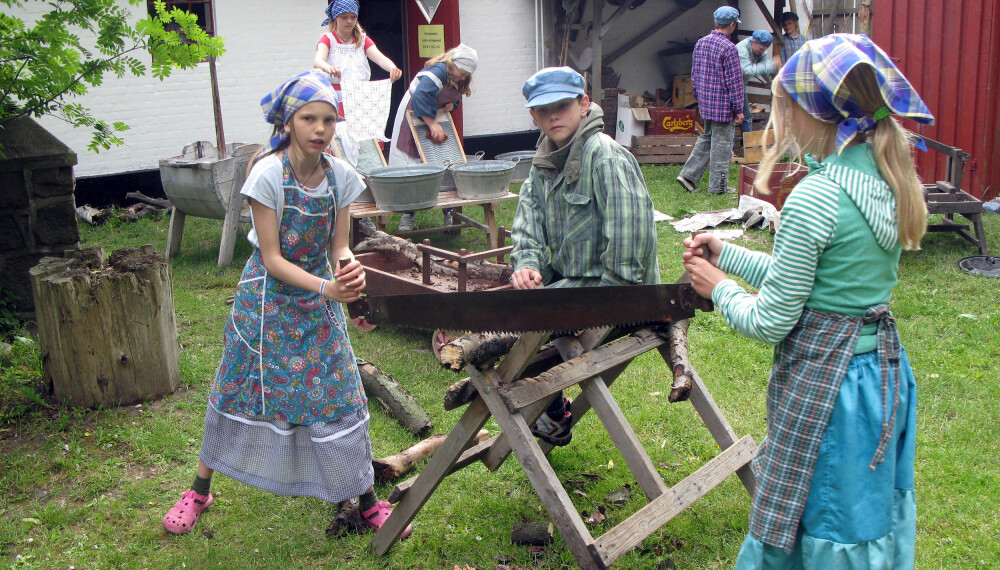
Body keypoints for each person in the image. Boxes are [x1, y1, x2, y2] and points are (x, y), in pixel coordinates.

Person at [681, 34, 933, 568]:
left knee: (825, 516)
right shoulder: (885, 174)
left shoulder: (818, 196)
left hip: (830, 388)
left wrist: (717, 289)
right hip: (875, 379)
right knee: (860, 514)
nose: (783, 119)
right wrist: (726, 254)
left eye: (785, 105)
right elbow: (811, 283)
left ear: (807, 110)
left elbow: (772, 318)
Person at [162, 71, 411, 540]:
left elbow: (339, 246)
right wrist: (326, 287)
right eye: (309, 118)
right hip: (266, 307)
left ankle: (367, 500)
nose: (321, 129)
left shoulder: (340, 175)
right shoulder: (267, 174)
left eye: (329, 119)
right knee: (237, 391)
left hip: (318, 303)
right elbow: (272, 258)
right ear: (289, 123)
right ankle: (199, 490)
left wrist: (349, 269)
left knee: (342, 394)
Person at [509, 67, 660, 445]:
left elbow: (629, 247)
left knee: (527, 322)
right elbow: (527, 222)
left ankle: (547, 409)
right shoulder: (542, 165)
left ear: (584, 103)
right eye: (543, 111)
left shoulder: (604, 155)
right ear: (533, 116)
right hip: (578, 281)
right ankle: (552, 407)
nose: (553, 116)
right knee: (514, 310)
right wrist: (526, 264)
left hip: (621, 291)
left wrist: (603, 303)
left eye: (562, 106)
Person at [313, 0, 402, 238]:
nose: (349, 22)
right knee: (341, 153)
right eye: (344, 18)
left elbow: (379, 57)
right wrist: (327, 68)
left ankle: (367, 212)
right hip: (338, 103)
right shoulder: (328, 39)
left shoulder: (362, 39)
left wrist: (392, 67)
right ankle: (340, 211)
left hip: (360, 102)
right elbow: (317, 61)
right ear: (336, 19)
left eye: (352, 17)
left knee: (366, 152)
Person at [387, 44, 478, 232]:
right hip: (414, 113)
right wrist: (431, 123)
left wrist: (453, 105)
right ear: (453, 63)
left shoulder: (461, 75)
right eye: (461, 72)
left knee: (444, 161)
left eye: (466, 75)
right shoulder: (438, 71)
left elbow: (456, 95)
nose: (462, 77)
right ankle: (408, 214)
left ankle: (450, 211)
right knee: (412, 164)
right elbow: (420, 97)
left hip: (436, 116)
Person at [676, 6, 745, 195]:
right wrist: (739, 109)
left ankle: (688, 176)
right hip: (723, 106)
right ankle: (718, 187)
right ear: (732, 25)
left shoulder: (701, 43)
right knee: (722, 146)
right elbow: (734, 82)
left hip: (706, 102)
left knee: (706, 138)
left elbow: (694, 74)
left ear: (716, 22)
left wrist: (698, 96)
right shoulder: (729, 48)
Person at [735, 30, 780, 134]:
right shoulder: (741, 49)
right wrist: (771, 65)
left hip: (742, 88)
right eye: (761, 49)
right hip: (731, 89)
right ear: (753, 42)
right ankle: (730, 147)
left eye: (765, 49)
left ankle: (749, 146)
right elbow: (747, 70)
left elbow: (765, 68)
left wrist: (775, 74)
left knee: (747, 117)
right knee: (731, 119)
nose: (762, 51)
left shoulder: (761, 50)